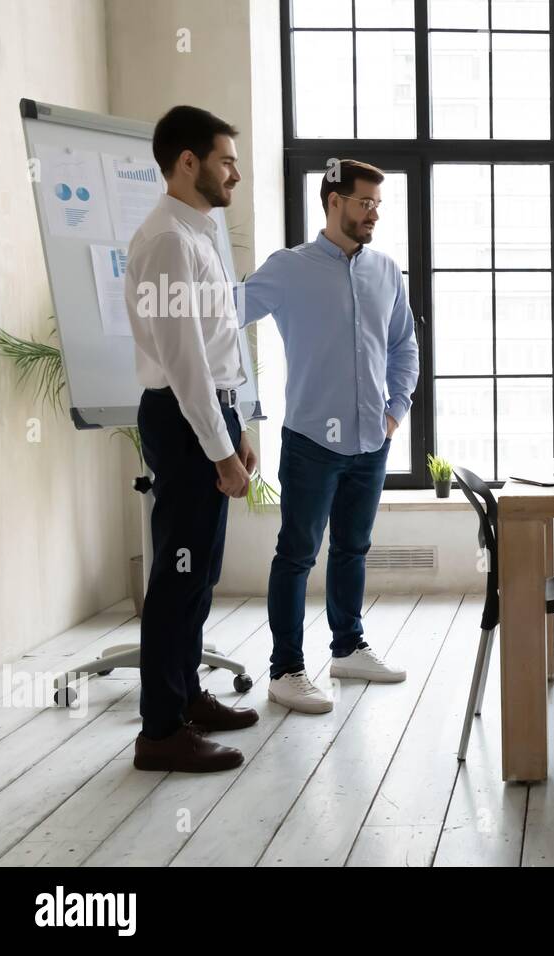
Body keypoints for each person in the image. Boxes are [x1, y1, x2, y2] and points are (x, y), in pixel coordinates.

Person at [239, 160, 420, 714]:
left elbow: (404, 346)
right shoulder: (289, 268)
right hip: (310, 441)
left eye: (378, 205)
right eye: (364, 202)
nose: (373, 213)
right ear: (333, 200)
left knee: (353, 548)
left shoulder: (386, 270)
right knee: (296, 554)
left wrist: (395, 412)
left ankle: (347, 647)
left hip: (372, 439)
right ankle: (286, 670)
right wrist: (241, 409)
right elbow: (224, 321)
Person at [128, 105, 257, 772]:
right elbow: (185, 365)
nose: (235, 171)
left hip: (208, 416)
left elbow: (218, 346)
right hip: (183, 420)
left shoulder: (199, 231)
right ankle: (159, 733)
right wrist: (220, 449)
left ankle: (184, 698)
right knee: (178, 576)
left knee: (199, 570)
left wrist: (240, 424)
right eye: (225, 159)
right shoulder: (169, 242)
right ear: (187, 162)